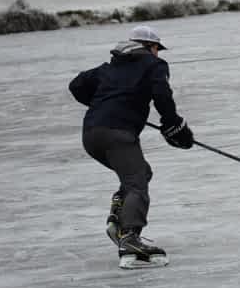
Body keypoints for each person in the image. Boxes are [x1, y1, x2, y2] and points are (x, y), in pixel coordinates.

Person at [68, 25, 194, 268]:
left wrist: (103, 104)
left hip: (91, 135)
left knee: (140, 173)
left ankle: (117, 217)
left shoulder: (109, 67)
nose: (158, 53)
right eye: (157, 48)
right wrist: (173, 125)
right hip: (118, 135)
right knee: (137, 181)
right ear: (150, 47)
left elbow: (76, 85)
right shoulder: (153, 65)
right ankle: (130, 238)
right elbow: (162, 96)